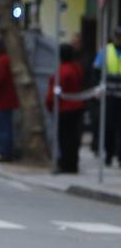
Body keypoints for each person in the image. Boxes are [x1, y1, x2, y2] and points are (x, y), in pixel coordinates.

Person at [48, 45, 88, 174]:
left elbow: (54, 92)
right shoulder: (77, 68)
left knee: (64, 138)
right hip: (77, 106)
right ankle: (73, 163)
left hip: (65, 108)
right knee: (73, 137)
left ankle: (66, 164)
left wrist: (50, 106)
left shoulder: (63, 71)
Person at [94, 28, 121, 167]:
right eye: (117, 37)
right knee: (109, 127)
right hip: (109, 96)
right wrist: (99, 87)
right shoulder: (106, 50)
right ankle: (109, 155)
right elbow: (96, 70)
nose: (119, 39)